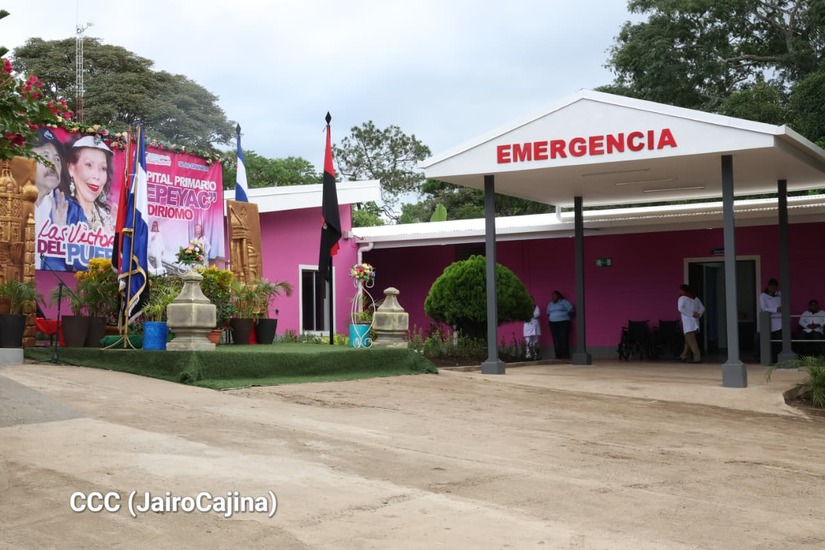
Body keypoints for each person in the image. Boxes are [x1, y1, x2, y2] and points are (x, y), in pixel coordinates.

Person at [60, 135, 115, 233]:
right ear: (71, 168)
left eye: (103, 168)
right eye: (89, 165)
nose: (97, 176)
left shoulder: (106, 216)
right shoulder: (60, 208)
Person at [31, 128, 68, 269]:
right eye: (45, 156)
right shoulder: (11, 201)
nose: (53, 164)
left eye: (56, 159)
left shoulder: (64, 208)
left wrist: (59, 231)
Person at [677, 284, 705, 363]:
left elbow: (680, 308)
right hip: (695, 322)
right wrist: (698, 314)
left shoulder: (682, 298)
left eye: (680, 290)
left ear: (683, 290)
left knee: (691, 341)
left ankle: (697, 357)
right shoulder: (695, 298)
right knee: (688, 341)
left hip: (688, 324)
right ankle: (683, 356)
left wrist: (691, 314)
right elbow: (703, 308)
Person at [546, 290, 574, 359]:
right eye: (552, 295)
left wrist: (563, 316)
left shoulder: (564, 302)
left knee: (563, 338)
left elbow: (572, 310)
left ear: (558, 295)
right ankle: (558, 356)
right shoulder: (550, 304)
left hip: (563, 322)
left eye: (554, 295)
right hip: (553, 323)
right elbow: (548, 313)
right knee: (555, 339)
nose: (553, 296)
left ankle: (565, 355)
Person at [760, 278, 782, 362]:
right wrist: (776, 309)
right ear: (768, 286)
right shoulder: (763, 295)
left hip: (782, 320)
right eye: (772, 287)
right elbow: (764, 308)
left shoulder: (779, 294)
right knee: (775, 341)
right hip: (772, 322)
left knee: (782, 341)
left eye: (775, 287)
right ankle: (775, 359)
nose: (774, 289)